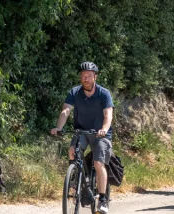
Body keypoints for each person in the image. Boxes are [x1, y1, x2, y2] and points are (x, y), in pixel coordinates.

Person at [50, 61, 114, 213]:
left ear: (95, 77)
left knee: (98, 164)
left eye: (89, 76)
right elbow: (66, 111)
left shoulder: (104, 93)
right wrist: (59, 127)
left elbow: (108, 114)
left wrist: (104, 129)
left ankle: (103, 199)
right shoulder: (74, 92)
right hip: (81, 131)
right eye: (83, 76)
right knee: (72, 151)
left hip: (100, 134)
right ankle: (76, 178)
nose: (85, 79)